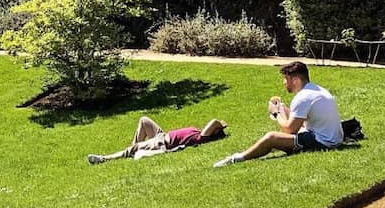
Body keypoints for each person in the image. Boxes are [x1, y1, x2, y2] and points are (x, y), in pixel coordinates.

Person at [213, 60, 344, 167]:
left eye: (286, 79)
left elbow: (289, 130)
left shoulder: (303, 98)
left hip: (324, 142)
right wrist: (281, 107)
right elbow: (296, 120)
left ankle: (237, 158)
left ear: (295, 80)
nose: (284, 82)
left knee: (272, 137)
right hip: (334, 138)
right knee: (285, 134)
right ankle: (260, 149)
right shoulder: (315, 90)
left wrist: (276, 114)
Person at [86, 115, 228, 164]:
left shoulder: (201, 138)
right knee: (144, 120)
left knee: (135, 148)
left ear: (213, 133)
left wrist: (220, 126)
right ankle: (133, 150)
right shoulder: (198, 133)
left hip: (162, 143)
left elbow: (214, 121)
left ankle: (104, 159)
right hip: (161, 135)